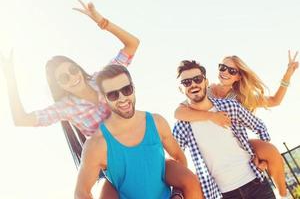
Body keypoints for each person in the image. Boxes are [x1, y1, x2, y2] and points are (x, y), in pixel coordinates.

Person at [0, 0, 139, 198]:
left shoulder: (102, 78)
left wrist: (102, 22)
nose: (73, 77)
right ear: (59, 85)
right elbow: (21, 119)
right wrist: (10, 81)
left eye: (72, 70)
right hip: (108, 165)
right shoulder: (65, 108)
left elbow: (132, 44)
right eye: (64, 78)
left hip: (136, 148)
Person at [175, 53, 299, 197]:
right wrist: (212, 116)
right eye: (222, 67)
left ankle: (283, 193)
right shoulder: (202, 90)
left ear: (238, 77)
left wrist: (287, 75)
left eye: (232, 71)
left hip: (240, 150)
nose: (225, 72)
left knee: (269, 151)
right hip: (217, 168)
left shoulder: (238, 99)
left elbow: (274, 101)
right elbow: (178, 113)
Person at [74, 64, 201, 199]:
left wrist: (177, 193)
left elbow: (179, 157)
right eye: (113, 94)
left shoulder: (157, 122)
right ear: (104, 98)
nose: (122, 98)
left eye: (126, 89)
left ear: (133, 88)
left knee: (192, 181)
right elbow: (81, 192)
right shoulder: (97, 144)